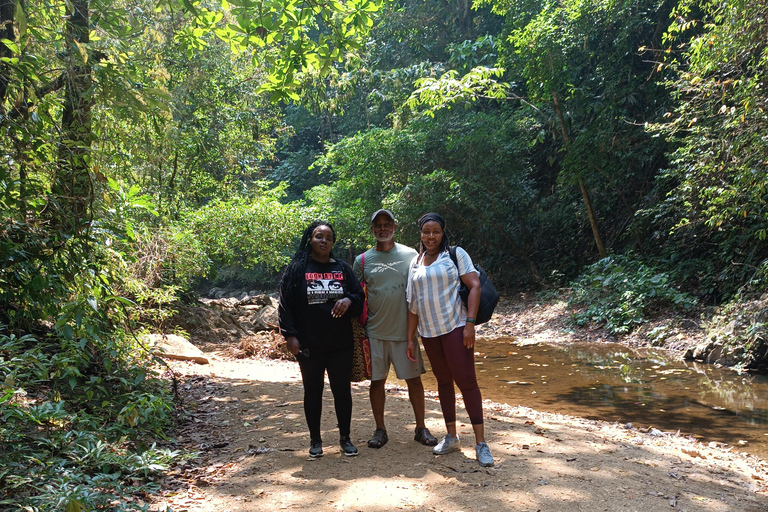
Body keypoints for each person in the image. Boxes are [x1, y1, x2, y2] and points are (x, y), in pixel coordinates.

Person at [405, 212, 495, 467]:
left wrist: (470, 324)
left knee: (467, 382)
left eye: (435, 231)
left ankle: (480, 443)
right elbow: (413, 305)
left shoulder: (454, 254)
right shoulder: (416, 262)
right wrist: (410, 339)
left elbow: (474, 285)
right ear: (420, 234)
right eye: (426, 232)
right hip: (429, 333)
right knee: (444, 383)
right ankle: (452, 437)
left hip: (455, 327)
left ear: (443, 232)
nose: (430, 236)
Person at [278, 220, 365, 459]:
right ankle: (315, 440)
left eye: (328, 237)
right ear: (310, 240)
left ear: (333, 242)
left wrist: (348, 300)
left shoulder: (343, 268)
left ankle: (345, 439)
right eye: (318, 236)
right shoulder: (297, 270)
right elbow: (285, 305)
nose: (323, 240)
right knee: (313, 391)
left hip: (340, 344)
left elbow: (359, 297)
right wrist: (290, 335)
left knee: (342, 391)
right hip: (309, 344)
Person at [353, 209, 438, 449]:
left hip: (405, 333)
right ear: (372, 229)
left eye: (386, 224)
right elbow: (355, 294)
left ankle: (421, 427)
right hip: (374, 333)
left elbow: (423, 287)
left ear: (395, 226)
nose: (382, 228)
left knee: (414, 380)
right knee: (377, 382)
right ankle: (380, 430)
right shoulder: (362, 260)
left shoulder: (411, 255)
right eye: (378, 225)